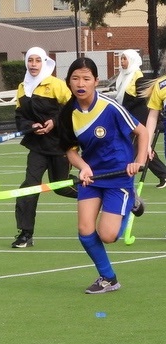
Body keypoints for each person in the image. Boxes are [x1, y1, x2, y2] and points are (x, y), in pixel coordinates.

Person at [58, 57, 148, 294]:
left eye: (86, 78)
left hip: (119, 175)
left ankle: (131, 203)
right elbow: (70, 150)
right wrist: (83, 167)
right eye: (75, 78)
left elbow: (143, 131)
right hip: (93, 177)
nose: (80, 83)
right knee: (85, 230)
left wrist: (138, 161)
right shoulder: (68, 114)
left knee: (108, 236)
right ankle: (108, 277)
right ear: (69, 82)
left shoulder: (110, 107)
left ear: (95, 81)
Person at [11, 47, 77, 248]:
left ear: (44, 62)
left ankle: (102, 190)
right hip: (38, 147)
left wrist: (54, 122)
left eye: (37, 60)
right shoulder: (23, 87)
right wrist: (30, 126)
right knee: (29, 187)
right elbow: (20, 117)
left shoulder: (56, 84)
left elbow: (73, 108)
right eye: (30, 60)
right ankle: (25, 233)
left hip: (60, 145)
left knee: (62, 187)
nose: (33, 64)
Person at [115, 49, 166, 188]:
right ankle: (163, 174)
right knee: (143, 147)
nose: (122, 62)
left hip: (138, 120)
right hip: (129, 119)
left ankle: (121, 174)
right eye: (121, 59)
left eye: (125, 59)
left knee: (135, 148)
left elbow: (143, 100)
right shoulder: (124, 77)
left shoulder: (139, 77)